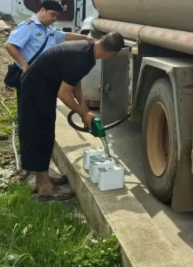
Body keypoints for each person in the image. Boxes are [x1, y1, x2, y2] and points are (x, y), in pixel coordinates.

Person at [18, 32, 125, 201]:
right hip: (35, 90)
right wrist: (83, 113)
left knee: (44, 134)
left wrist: (84, 108)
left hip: (41, 87)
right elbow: (63, 93)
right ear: (112, 54)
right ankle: (45, 188)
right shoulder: (82, 58)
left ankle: (41, 179)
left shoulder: (88, 50)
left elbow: (74, 80)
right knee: (40, 135)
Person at [5, 0, 92, 75]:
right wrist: (24, 64)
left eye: (57, 16)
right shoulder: (28, 26)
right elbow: (9, 45)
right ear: (43, 10)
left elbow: (66, 35)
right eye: (53, 14)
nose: (55, 18)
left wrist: (85, 37)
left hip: (43, 73)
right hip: (27, 72)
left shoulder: (50, 28)